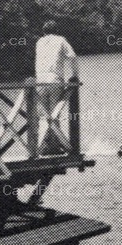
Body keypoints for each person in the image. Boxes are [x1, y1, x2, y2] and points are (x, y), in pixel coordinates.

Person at [35, 20, 80, 151]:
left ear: (44, 31)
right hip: (54, 80)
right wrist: (74, 75)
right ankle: (54, 145)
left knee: (44, 116)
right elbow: (72, 56)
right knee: (54, 115)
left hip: (40, 81)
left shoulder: (39, 42)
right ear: (57, 30)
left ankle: (43, 147)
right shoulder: (60, 40)